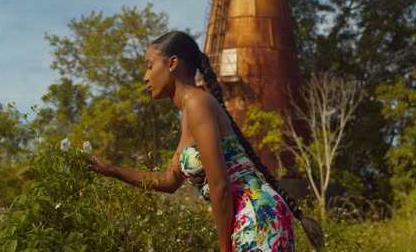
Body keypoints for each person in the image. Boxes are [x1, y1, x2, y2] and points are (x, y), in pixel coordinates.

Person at [88, 31, 323, 252]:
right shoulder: (189, 114)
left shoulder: (197, 104)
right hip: (251, 214)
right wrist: (110, 170)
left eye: (150, 66)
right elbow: (169, 181)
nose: (145, 76)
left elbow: (220, 185)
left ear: (172, 63)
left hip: (257, 215)